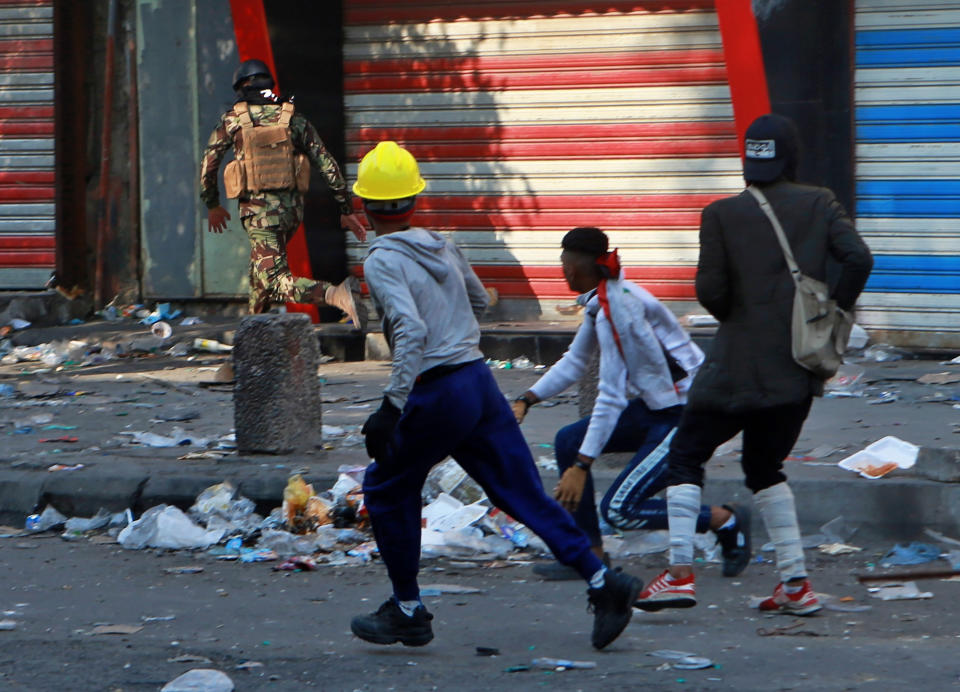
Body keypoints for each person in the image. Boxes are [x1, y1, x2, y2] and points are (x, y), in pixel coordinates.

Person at [350, 141, 642, 651]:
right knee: (522, 491)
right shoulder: (443, 244)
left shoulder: (380, 261)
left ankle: (408, 610)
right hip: (479, 382)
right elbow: (482, 299)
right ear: (414, 201)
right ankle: (603, 582)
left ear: (367, 207)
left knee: (385, 488)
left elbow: (412, 334)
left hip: (437, 389)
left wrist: (391, 407)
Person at [635, 113, 873, 615]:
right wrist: (832, 312)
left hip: (733, 366)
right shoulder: (820, 203)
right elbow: (858, 258)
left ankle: (679, 573)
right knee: (765, 468)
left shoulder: (721, 213)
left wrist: (738, 317)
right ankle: (795, 586)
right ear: (793, 158)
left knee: (685, 458)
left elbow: (710, 292)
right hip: (795, 368)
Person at [512, 227, 751, 582]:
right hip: (658, 408)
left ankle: (724, 519)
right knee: (567, 439)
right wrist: (527, 398)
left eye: (564, 266)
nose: (563, 273)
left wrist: (581, 465)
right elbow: (575, 362)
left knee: (620, 510)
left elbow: (609, 397)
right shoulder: (605, 300)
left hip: (688, 415)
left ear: (577, 269)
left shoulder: (618, 311)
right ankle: (589, 555)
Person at [199, 59, 367, 324]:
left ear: (242, 86)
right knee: (260, 273)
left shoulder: (234, 120)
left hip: (259, 215)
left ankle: (336, 294)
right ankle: (253, 333)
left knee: (275, 280)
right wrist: (345, 209)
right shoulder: (292, 117)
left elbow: (209, 164)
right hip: (291, 214)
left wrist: (212, 204)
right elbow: (327, 163)